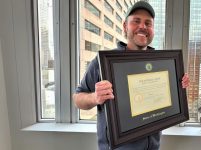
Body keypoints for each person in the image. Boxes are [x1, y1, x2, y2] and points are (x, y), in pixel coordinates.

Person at [73, 1, 189, 150]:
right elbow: (77, 99)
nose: (143, 26)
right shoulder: (104, 62)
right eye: (136, 21)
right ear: (125, 26)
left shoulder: (161, 63)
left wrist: (178, 86)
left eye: (148, 23)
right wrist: (95, 97)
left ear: (153, 30)